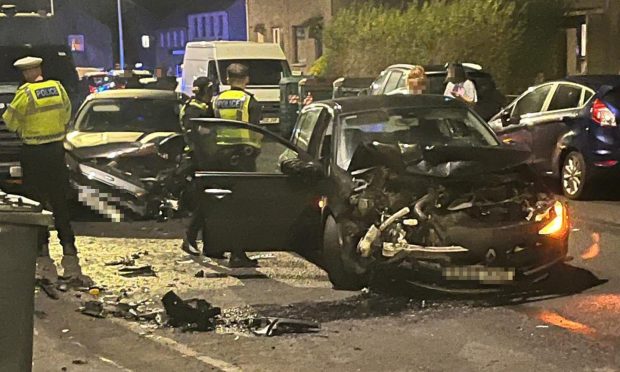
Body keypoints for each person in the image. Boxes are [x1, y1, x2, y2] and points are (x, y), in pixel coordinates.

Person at [2, 57, 92, 287]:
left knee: (36, 200)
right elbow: (66, 114)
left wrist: (25, 127)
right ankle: (68, 244)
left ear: (25, 74)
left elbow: (9, 122)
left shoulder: (25, 94)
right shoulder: (57, 88)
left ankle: (42, 246)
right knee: (59, 198)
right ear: (40, 69)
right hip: (56, 151)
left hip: (34, 153)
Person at [212, 63, 263, 268]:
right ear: (247, 79)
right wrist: (256, 148)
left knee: (222, 203)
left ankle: (216, 246)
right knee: (242, 207)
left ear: (227, 79)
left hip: (220, 156)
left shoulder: (217, 100)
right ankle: (238, 253)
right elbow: (257, 130)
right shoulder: (249, 101)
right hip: (243, 157)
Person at [178, 77, 221, 258]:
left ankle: (211, 245)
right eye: (210, 91)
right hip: (198, 160)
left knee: (211, 202)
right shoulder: (194, 110)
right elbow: (200, 135)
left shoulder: (199, 107)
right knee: (205, 202)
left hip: (206, 158)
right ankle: (191, 238)